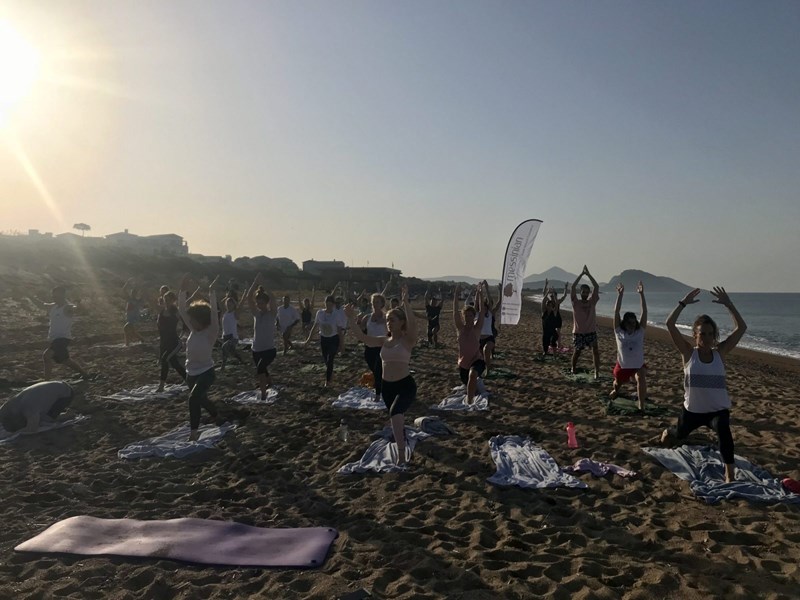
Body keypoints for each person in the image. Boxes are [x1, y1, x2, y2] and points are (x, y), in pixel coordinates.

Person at [661, 287, 747, 483]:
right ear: (695, 335)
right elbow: (670, 324)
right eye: (702, 334)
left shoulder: (720, 353)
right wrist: (683, 303)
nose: (706, 338)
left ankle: (729, 475)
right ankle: (668, 431)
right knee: (678, 434)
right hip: (692, 411)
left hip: (717, 411)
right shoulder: (688, 353)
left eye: (710, 334)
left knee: (724, 431)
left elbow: (741, 328)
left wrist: (729, 304)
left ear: (714, 336)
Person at [345, 284, 418, 466]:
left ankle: (401, 455)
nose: (388, 322)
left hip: (405, 385)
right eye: (387, 320)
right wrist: (351, 319)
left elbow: (413, 324)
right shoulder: (383, 341)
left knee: (395, 413)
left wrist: (406, 303)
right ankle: (402, 440)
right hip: (387, 387)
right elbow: (362, 338)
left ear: (401, 322)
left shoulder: (407, 340)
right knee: (396, 417)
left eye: (392, 319)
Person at [177, 274, 223, 441]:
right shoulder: (193, 330)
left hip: (206, 372)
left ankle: (194, 432)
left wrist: (212, 292)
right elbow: (182, 310)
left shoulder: (211, 332)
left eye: (193, 319)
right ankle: (216, 415)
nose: (190, 321)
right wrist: (182, 290)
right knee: (202, 399)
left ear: (201, 320)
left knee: (194, 398)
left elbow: (214, 315)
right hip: (191, 373)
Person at [36, 286, 89, 380]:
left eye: (56, 296)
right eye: (53, 296)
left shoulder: (67, 307)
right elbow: (41, 305)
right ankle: (84, 374)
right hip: (54, 339)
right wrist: (29, 296)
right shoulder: (53, 306)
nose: (54, 298)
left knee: (46, 356)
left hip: (62, 339)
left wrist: (79, 303)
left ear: (63, 296)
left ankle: (46, 381)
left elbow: (77, 309)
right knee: (65, 360)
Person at [610, 281, 648, 410]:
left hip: (638, 365)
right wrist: (620, 295)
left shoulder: (639, 332)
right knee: (617, 384)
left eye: (634, 322)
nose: (632, 324)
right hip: (623, 365)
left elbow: (644, 311)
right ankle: (615, 390)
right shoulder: (619, 332)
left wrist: (641, 294)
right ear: (624, 323)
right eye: (629, 322)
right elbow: (616, 312)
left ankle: (641, 405)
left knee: (641, 378)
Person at [0, 381, 78, 434]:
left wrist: (16, 433)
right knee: (39, 413)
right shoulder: (13, 404)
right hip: (54, 386)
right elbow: (2, 411)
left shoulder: (28, 409)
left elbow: (32, 428)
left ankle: (69, 413)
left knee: (47, 419)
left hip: (66, 393)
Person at [246, 274, 278, 399]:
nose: (259, 305)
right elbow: (249, 298)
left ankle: (264, 395)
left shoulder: (272, 314)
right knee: (263, 370)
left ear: (266, 303)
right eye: (258, 303)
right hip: (256, 349)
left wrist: (264, 284)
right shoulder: (256, 314)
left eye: (262, 303)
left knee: (260, 368)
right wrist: (255, 283)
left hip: (269, 350)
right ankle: (270, 383)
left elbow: (273, 298)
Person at [453, 283, 485, 405]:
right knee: (469, 384)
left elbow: (482, 312)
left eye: (471, 315)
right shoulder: (460, 329)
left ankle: (469, 403)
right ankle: (475, 386)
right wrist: (456, 295)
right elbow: (455, 313)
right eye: (466, 315)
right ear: (463, 316)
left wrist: (480, 294)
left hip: (477, 360)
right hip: (463, 363)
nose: (468, 317)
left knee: (473, 375)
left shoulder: (477, 329)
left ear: (473, 316)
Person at [305, 294, 346, 387]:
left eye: (330, 304)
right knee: (325, 360)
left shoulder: (336, 315)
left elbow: (340, 331)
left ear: (333, 305)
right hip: (324, 339)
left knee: (330, 359)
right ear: (325, 303)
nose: (328, 306)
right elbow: (315, 327)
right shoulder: (320, 313)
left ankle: (328, 381)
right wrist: (308, 339)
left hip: (333, 339)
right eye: (327, 304)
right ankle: (330, 373)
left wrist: (342, 345)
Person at [570, 265, 601, 379]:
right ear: (580, 292)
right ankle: (573, 368)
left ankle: (596, 371)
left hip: (591, 331)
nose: (585, 294)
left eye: (587, 292)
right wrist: (581, 274)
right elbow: (573, 287)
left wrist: (588, 274)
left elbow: (596, 286)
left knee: (595, 351)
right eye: (583, 292)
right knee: (577, 352)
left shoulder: (592, 302)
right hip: (578, 332)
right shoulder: (575, 302)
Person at [156, 290, 187, 393]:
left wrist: (182, 335)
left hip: (174, 342)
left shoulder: (175, 312)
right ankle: (187, 378)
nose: (167, 302)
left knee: (165, 359)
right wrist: (161, 350)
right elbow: (160, 330)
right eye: (166, 300)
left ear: (173, 300)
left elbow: (185, 324)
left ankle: (161, 386)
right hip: (164, 342)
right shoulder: (161, 312)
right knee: (174, 363)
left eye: (169, 300)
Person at [361, 293, 388, 401]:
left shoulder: (387, 317)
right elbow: (362, 331)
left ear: (382, 303)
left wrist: (385, 321)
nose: (375, 304)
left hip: (382, 348)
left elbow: (393, 331)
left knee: (378, 371)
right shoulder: (367, 317)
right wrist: (359, 323)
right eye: (373, 302)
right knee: (375, 370)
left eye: (377, 302)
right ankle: (383, 386)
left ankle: (378, 394)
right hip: (369, 348)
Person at [478, 280, 501, 374]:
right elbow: (478, 301)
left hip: (489, 337)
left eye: (486, 307)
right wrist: (479, 289)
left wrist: (487, 288)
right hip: (479, 339)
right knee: (482, 357)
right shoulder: (478, 314)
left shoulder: (490, 313)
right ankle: (486, 367)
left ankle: (488, 370)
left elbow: (497, 302)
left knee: (486, 350)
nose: (484, 308)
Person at [220, 295, 245, 371]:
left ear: (234, 305)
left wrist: (245, 294)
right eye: (227, 304)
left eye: (230, 304)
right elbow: (220, 303)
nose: (228, 306)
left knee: (224, 347)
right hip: (225, 336)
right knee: (233, 352)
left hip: (233, 337)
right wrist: (227, 296)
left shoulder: (235, 313)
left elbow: (241, 304)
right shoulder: (225, 313)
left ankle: (223, 366)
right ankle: (242, 361)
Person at [122, 279, 145, 346]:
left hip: (134, 318)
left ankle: (127, 344)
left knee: (126, 328)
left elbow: (144, 295)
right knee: (132, 331)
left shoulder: (138, 301)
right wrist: (127, 283)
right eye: (132, 292)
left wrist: (141, 286)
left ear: (136, 294)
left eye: (134, 293)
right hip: (129, 318)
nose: (133, 294)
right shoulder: (129, 299)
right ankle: (141, 339)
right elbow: (124, 290)